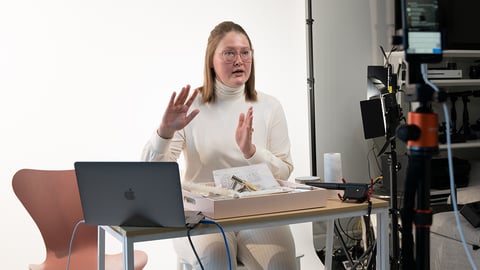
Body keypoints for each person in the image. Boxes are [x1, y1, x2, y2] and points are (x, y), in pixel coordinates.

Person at [141, 21, 296, 270]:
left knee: (283, 264)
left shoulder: (270, 106)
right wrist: (165, 132)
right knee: (216, 259)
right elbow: (151, 175)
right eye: (229, 53)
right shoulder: (191, 107)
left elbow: (285, 170)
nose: (239, 60)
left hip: (257, 212)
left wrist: (251, 152)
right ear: (211, 60)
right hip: (201, 217)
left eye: (245, 52)